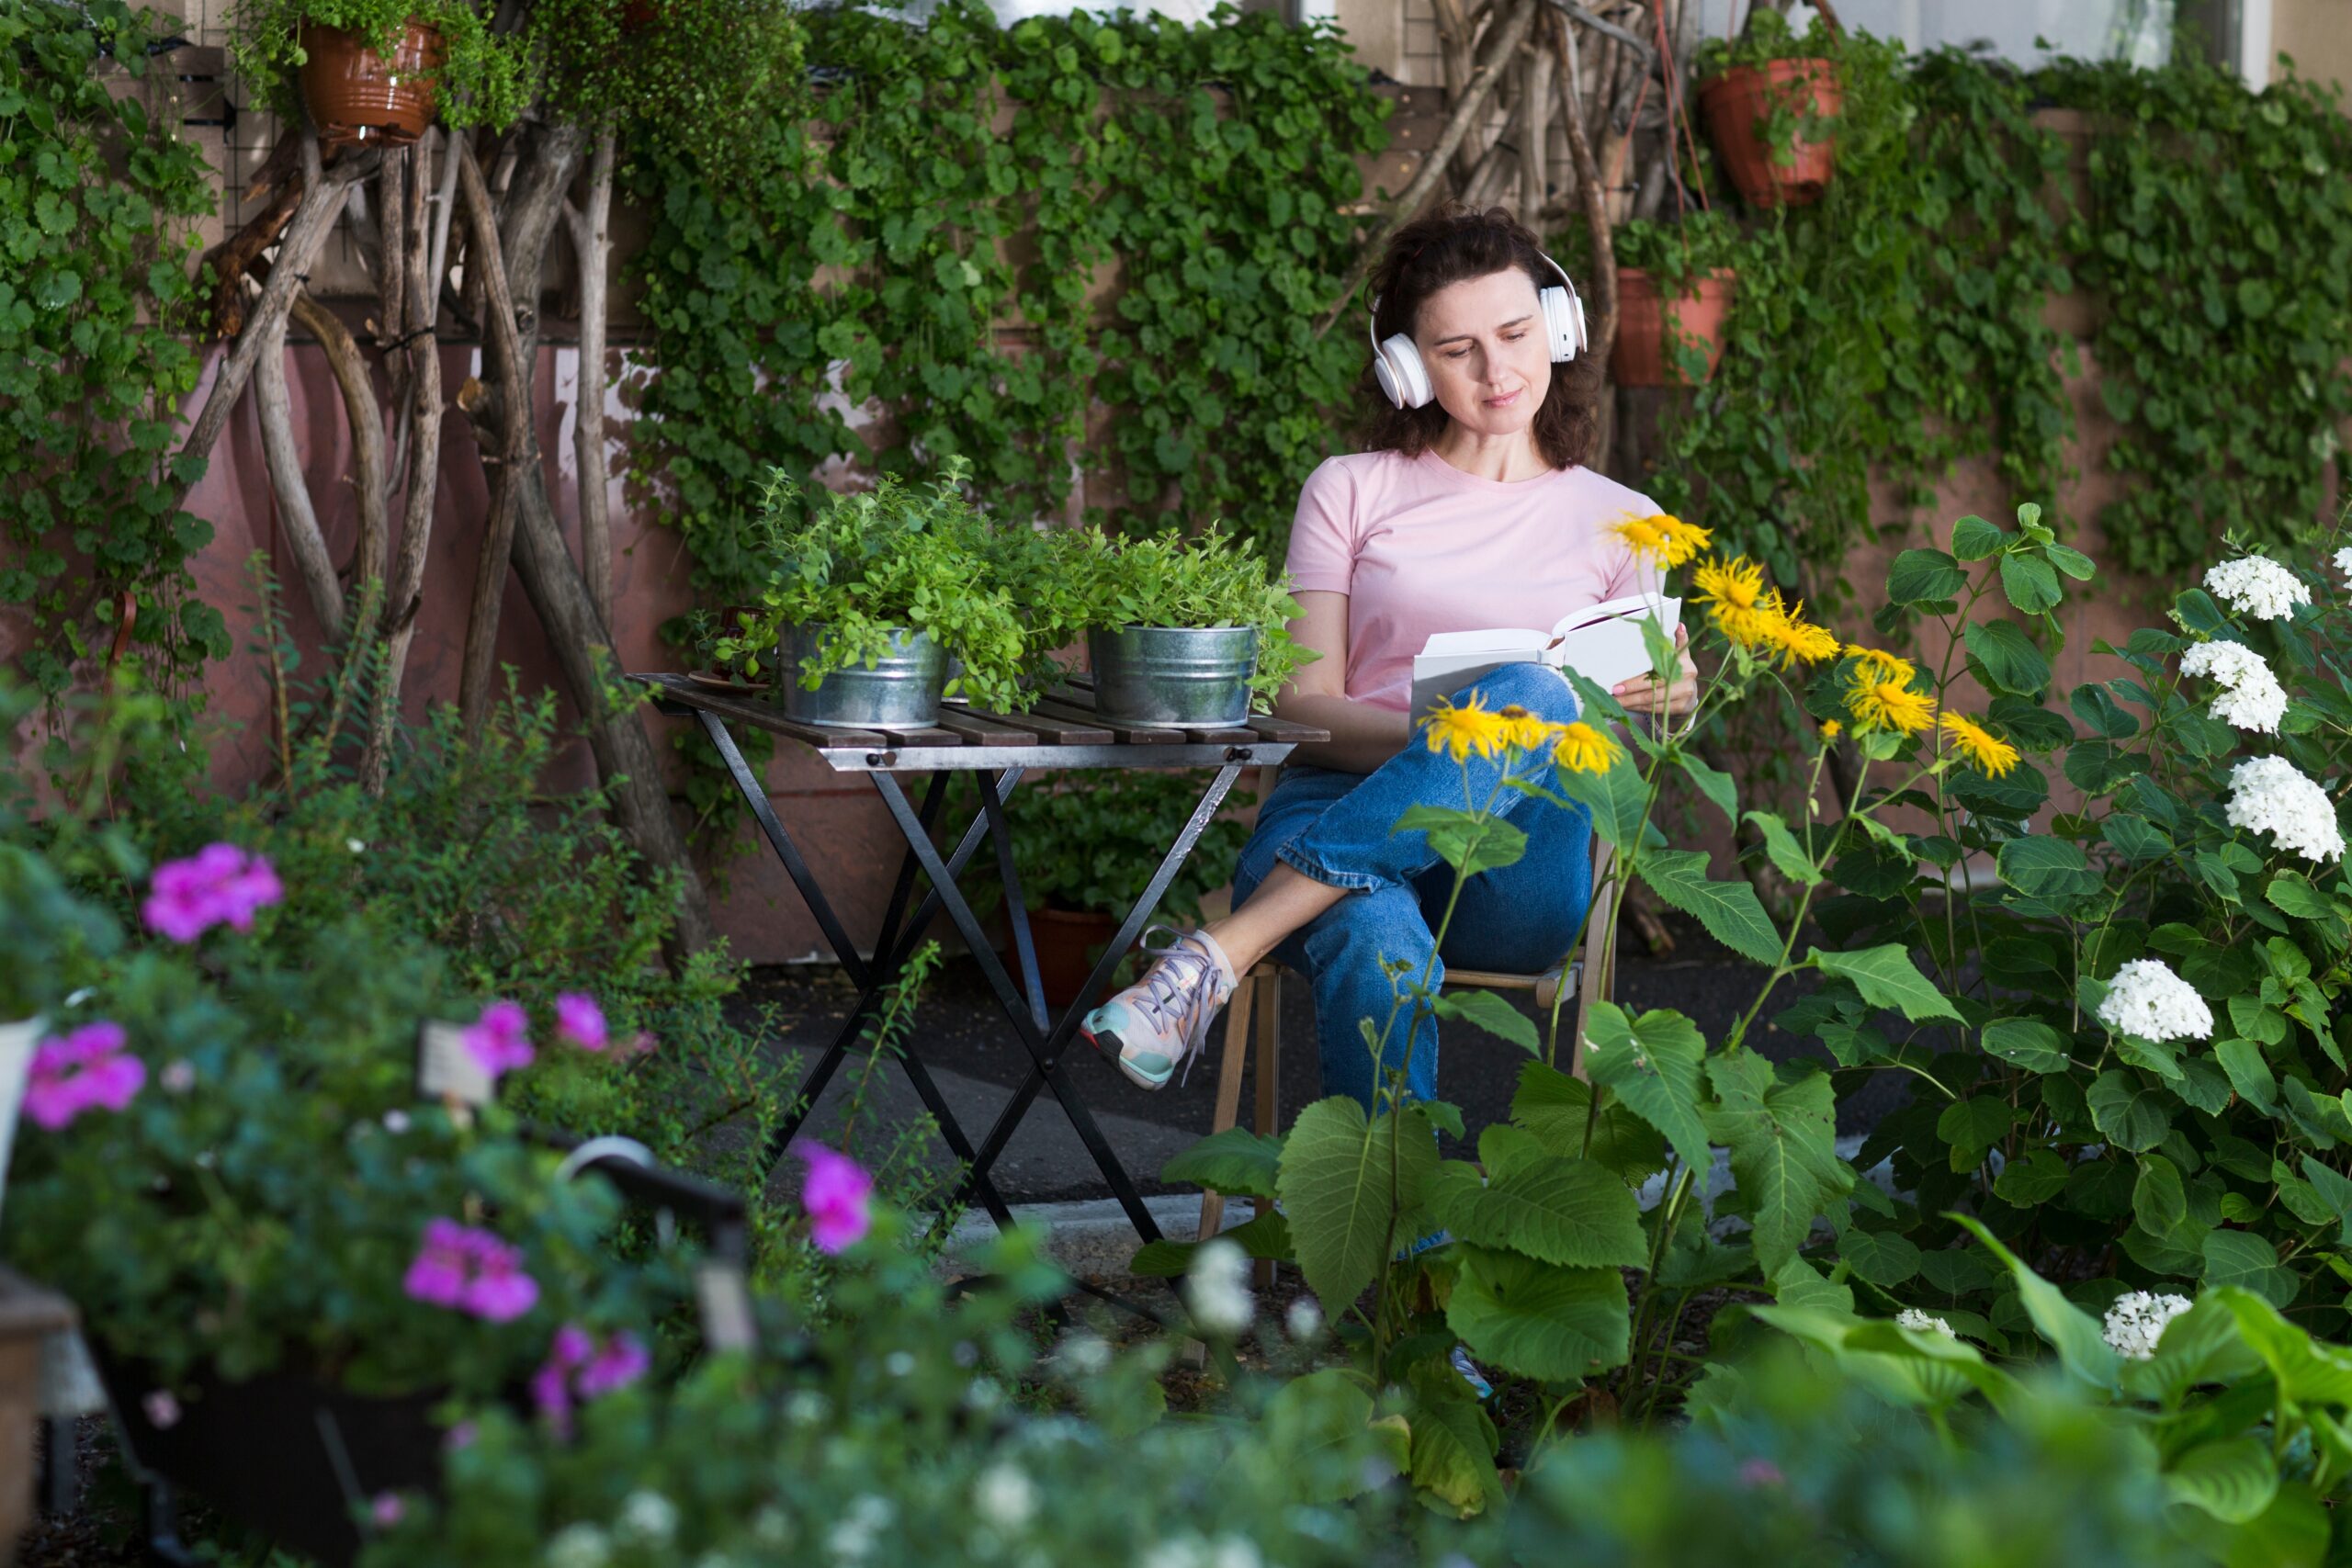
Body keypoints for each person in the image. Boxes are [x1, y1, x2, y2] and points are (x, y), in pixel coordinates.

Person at [1080, 204, 1699, 1112]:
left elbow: (1620, 722)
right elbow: (1301, 706)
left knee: (1531, 693)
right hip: (1328, 803)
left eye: (1517, 333)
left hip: (1515, 863)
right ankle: (1398, 1248)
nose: (1498, 372)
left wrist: (1668, 695)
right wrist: (1452, 742)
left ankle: (1218, 954)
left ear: (1558, 327)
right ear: (1406, 368)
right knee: (1372, 933)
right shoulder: (1349, 490)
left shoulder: (1625, 518)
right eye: (1456, 350)